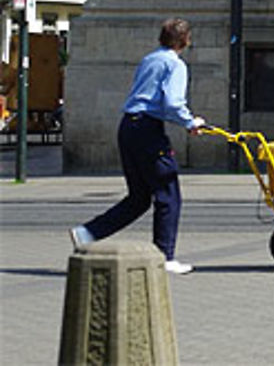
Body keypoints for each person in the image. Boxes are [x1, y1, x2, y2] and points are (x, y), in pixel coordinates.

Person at [69, 18, 206, 275]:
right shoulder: (175, 64)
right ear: (184, 40)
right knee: (168, 194)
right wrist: (190, 123)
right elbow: (173, 103)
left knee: (139, 198)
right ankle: (165, 257)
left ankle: (87, 233)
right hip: (148, 131)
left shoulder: (150, 59)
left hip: (128, 128)